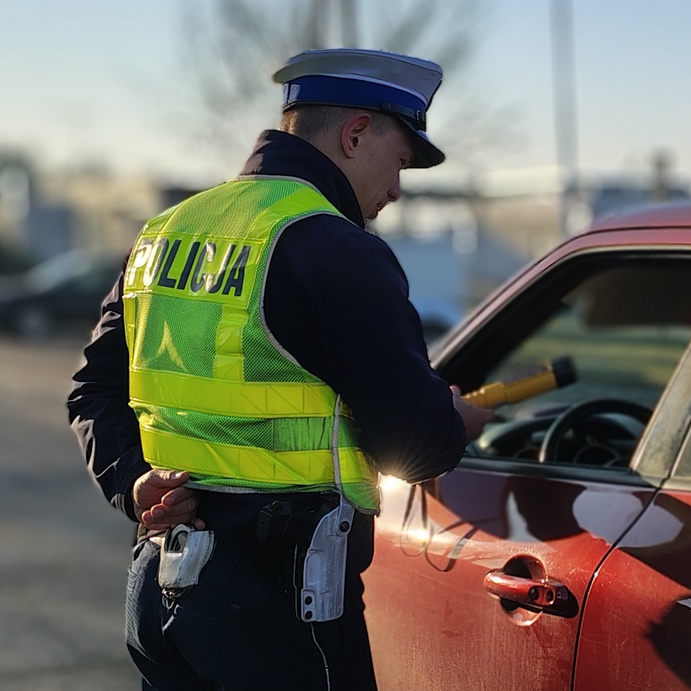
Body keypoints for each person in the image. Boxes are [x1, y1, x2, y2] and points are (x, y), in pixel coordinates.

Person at [67, 48, 494, 690]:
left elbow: (93, 391)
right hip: (281, 605)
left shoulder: (165, 233)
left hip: (157, 595)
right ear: (355, 135)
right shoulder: (337, 249)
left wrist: (134, 483)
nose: (397, 189)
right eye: (400, 161)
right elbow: (413, 443)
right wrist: (454, 420)